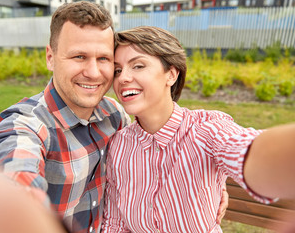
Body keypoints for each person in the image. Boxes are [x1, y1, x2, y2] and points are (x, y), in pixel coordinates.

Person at [0, 2, 228, 233]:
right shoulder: (24, 125)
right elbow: (16, 174)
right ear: (50, 57)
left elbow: (162, 145)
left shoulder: (114, 115)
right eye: (78, 57)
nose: (93, 73)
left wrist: (213, 179)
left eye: (103, 59)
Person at [102, 26, 295, 232]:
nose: (122, 78)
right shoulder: (118, 145)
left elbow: (247, 150)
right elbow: (115, 223)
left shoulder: (207, 129)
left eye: (138, 66)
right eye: (117, 70)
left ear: (171, 74)